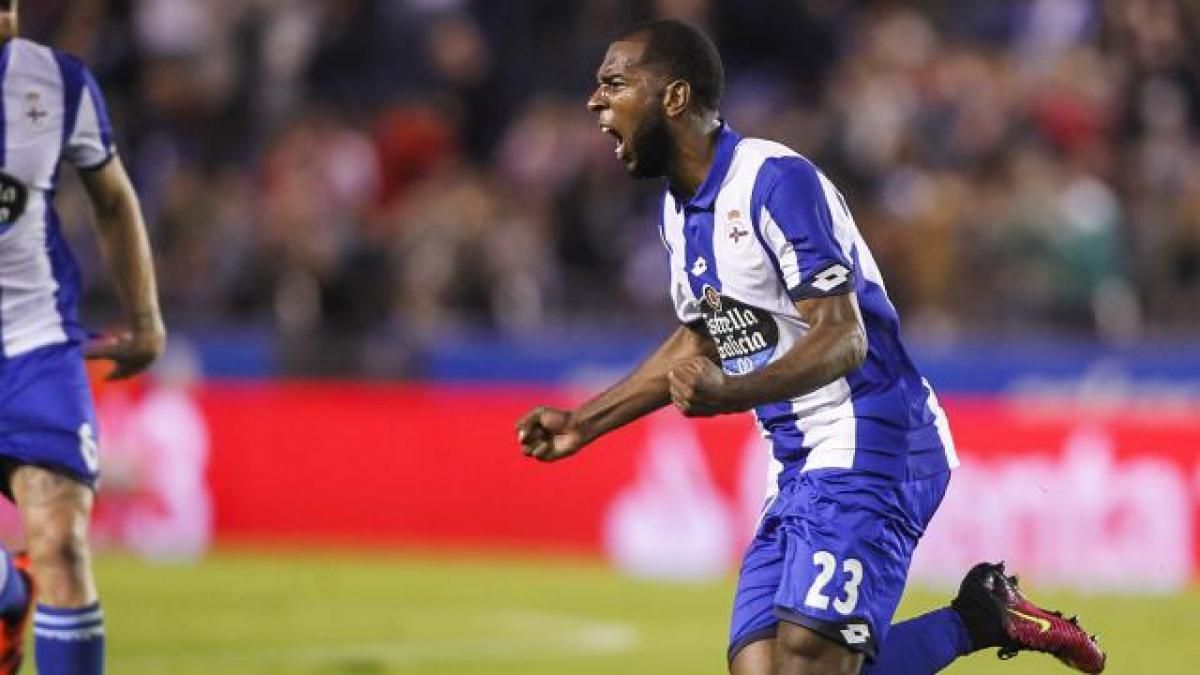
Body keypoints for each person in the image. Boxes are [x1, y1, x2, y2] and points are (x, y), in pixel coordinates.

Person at [516, 19, 1105, 675]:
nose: (596, 101)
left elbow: (843, 336)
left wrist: (731, 391)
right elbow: (703, 333)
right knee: (763, 668)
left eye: (614, 83)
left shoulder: (774, 182)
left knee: (810, 664)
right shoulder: (677, 213)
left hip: (874, 434)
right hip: (797, 457)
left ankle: (977, 618)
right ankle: (980, 616)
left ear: (674, 97)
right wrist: (584, 421)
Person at [0, 2, 166, 673]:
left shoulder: (56, 83)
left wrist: (147, 318)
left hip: (33, 345)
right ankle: (10, 598)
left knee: (62, 544)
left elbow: (115, 198)